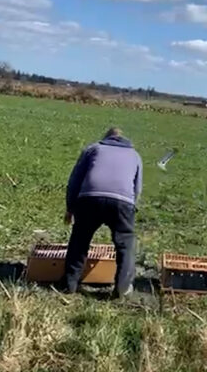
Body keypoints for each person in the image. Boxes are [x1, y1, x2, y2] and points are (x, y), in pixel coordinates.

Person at [61, 127, 143, 296]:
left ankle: (69, 284)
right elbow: (137, 187)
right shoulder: (135, 155)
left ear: (106, 138)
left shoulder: (93, 149)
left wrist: (70, 208)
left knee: (80, 240)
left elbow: (75, 179)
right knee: (126, 245)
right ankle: (122, 289)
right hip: (123, 202)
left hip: (89, 198)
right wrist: (131, 208)